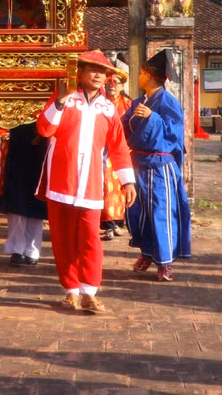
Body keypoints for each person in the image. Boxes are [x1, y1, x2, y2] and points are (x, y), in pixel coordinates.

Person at [36, 50, 136, 314]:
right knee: (63, 239)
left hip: (91, 184)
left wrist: (128, 181)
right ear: (79, 72)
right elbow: (44, 129)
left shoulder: (108, 109)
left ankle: (89, 292)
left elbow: (119, 147)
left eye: (103, 72)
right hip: (60, 182)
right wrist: (59, 100)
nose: (98, 75)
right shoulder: (65, 100)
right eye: (93, 70)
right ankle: (70, 291)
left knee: (91, 239)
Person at [122, 50, 191, 281]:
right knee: (140, 213)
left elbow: (174, 135)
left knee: (161, 213)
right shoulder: (137, 102)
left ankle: (165, 262)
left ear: (150, 76)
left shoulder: (168, 102)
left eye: (141, 73)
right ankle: (147, 252)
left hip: (160, 166)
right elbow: (123, 127)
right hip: (138, 164)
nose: (138, 76)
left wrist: (153, 117)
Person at [0, 121, 49, 267]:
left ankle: (32, 250)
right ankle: (16, 249)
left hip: (41, 144)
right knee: (17, 201)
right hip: (19, 138)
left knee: (36, 202)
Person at [100, 67, 132, 240]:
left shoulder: (128, 104)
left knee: (121, 188)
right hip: (103, 152)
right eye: (109, 82)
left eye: (116, 83)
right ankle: (108, 224)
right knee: (106, 187)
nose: (112, 86)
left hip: (122, 152)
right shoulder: (101, 103)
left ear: (122, 86)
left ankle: (119, 222)